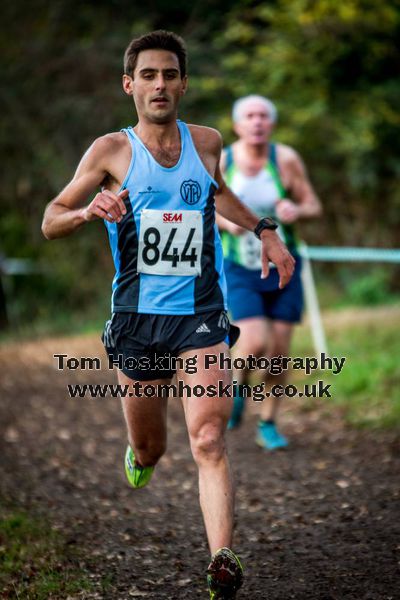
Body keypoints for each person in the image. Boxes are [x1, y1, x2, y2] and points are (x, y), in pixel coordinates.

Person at [41, 33, 295, 599]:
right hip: (136, 321)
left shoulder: (206, 142)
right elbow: (49, 220)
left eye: (170, 74)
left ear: (184, 83)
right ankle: (140, 454)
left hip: (201, 315)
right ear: (129, 85)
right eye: (148, 75)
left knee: (208, 439)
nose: (160, 85)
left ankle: (222, 563)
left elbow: (218, 194)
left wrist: (266, 231)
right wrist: (87, 211)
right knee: (153, 446)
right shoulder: (109, 151)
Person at [217, 95, 322, 450]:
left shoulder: (285, 159)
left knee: (277, 352)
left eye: (264, 116)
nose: (257, 121)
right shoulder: (224, 159)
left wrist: (296, 209)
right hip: (241, 267)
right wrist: (225, 224)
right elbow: (205, 207)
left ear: (271, 124)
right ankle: (239, 389)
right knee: (254, 343)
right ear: (237, 125)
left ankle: (268, 423)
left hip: (284, 266)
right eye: (250, 116)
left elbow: (312, 204)